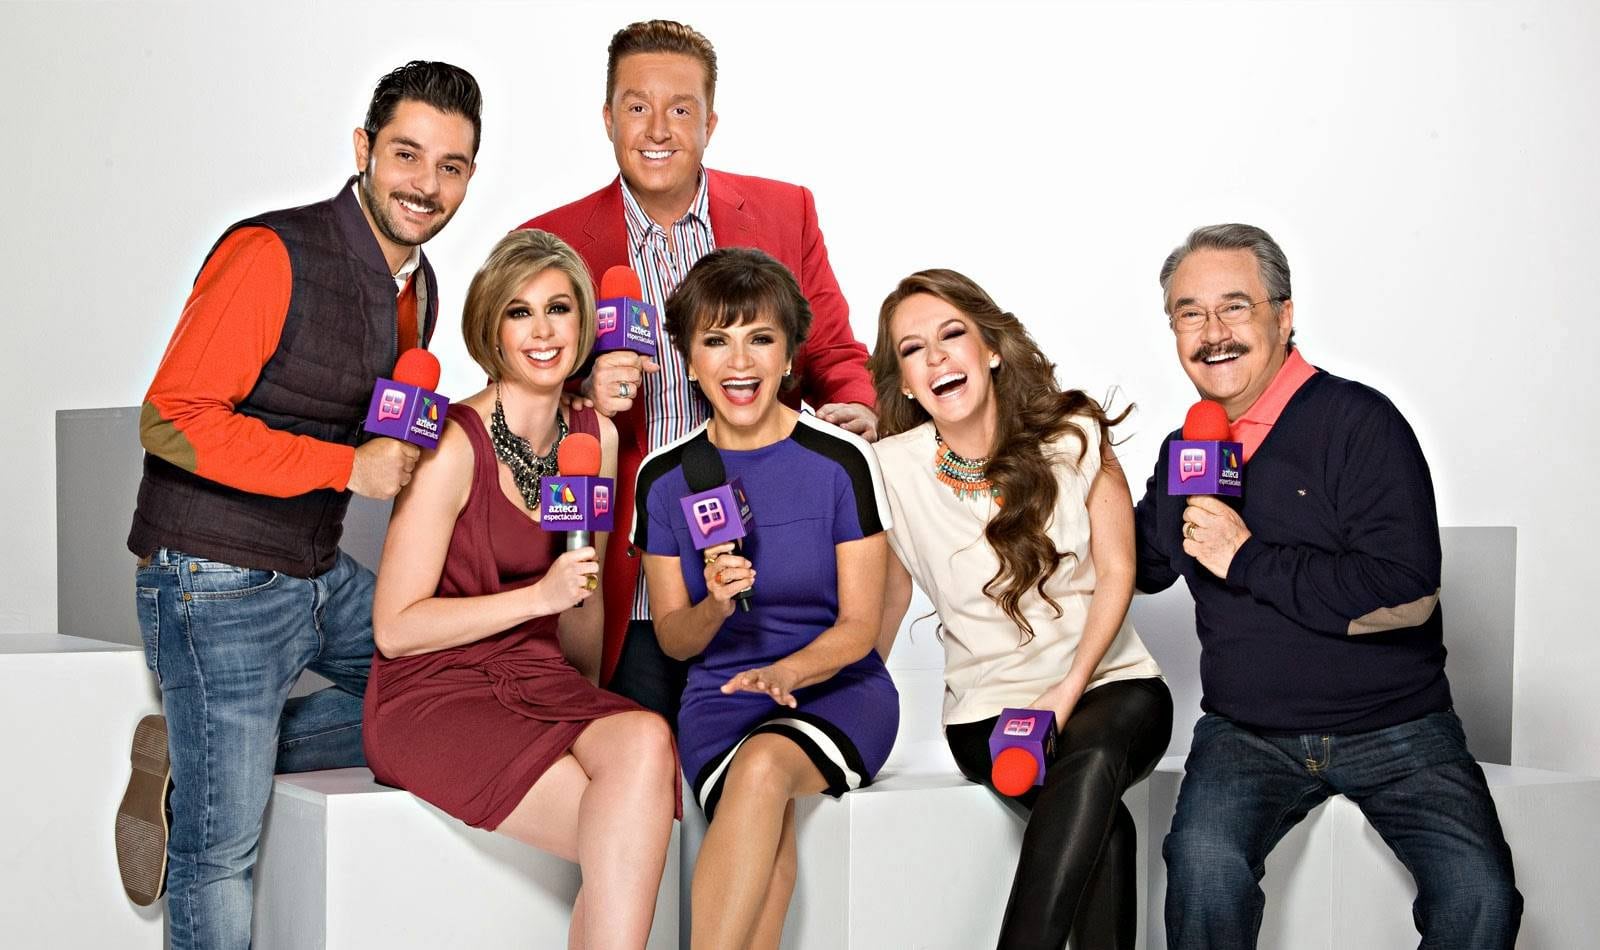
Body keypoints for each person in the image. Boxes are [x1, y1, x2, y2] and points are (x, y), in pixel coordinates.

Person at [117, 61, 481, 948]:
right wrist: (345, 467)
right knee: (220, 855)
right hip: (214, 576)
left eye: (450, 166)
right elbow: (170, 419)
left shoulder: (419, 286)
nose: (425, 185)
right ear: (363, 149)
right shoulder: (271, 253)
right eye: (406, 155)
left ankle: (201, 760)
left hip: (313, 570)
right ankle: (213, 768)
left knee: (458, 684)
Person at [1134, 223, 1522, 949]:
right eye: (1190, 313)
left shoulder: (1360, 423)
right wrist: (1056, 472)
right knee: (1202, 871)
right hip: (1247, 734)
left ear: (1283, 317)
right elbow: (1144, 564)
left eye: (1235, 307)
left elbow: (1405, 593)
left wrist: (1246, 557)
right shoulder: (1188, 448)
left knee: (1479, 895)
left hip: (1397, 727)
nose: (1212, 333)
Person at [519, 19, 878, 720]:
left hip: (772, 566)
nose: (658, 129)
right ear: (608, 118)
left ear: (709, 122)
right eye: (637, 106)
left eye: (680, 109)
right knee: (648, 764)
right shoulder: (550, 240)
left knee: (764, 751)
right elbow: (517, 390)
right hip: (634, 575)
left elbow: (832, 351)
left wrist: (857, 407)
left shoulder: (785, 210)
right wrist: (578, 390)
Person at [362, 230, 678, 949]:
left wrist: (584, 700)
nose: (542, 331)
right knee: (627, 833)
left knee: (644, 737)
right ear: (492, 329)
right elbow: (396, 629)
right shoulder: (451, 444)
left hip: (539, 679)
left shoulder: (594, 437)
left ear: (583, 323)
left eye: (559, 309)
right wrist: (538, 598)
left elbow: (582, 600)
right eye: (519, 311)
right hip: (435, 691)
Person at [871, 269, 1172, 949]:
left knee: (1091, 761)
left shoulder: (1073, 435)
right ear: (906, 383)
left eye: (952, 334)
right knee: (1105, 827)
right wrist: (844, 702)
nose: (937, 357)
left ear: (991, 349)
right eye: (913, 349)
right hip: (987, 711)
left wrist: (1066, 692)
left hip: (1110, 686)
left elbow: (1119, 572)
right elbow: (886, 599)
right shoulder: (889, 469)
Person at [633, 248, 895, 949]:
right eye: (716, 340)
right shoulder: (665, 477)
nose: (739, 362)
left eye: (761, 338)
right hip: (721, 700)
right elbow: (673, 639)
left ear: (788, 356)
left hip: (838, 689)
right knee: (767, 848)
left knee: (764, 768)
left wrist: (788, 672)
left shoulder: (842, 460)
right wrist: (715, 605)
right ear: (690, 360)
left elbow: (860, 625)